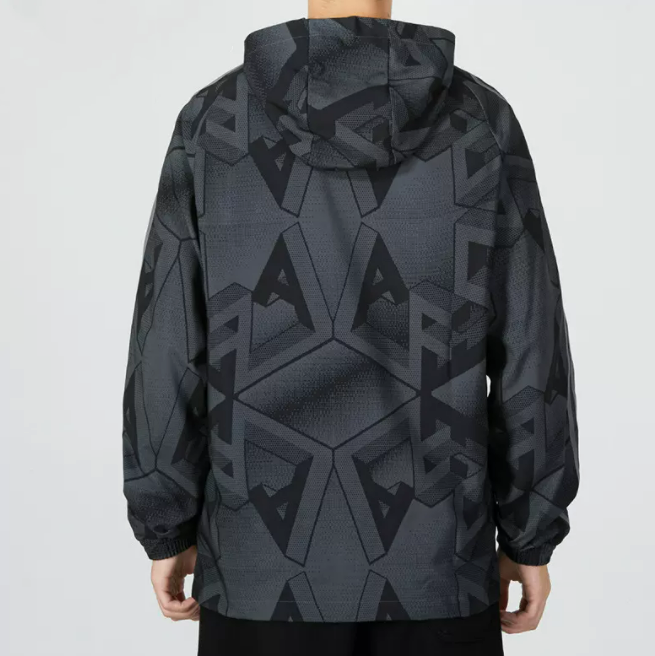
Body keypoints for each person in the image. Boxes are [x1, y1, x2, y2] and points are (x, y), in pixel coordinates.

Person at [122, 0, 579, 653]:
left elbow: (166, 340)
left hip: (259, 569)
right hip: (436, 569)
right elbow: (531, 340)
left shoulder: (214, 122)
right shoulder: (479, 120)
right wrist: (530, 531)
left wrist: (165, 521)